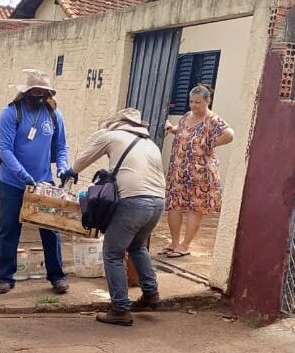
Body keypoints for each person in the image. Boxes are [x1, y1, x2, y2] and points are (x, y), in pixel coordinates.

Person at [64, 108, 166, 326]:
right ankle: (151, 294)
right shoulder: (151, 144)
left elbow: (83, 159)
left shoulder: (112, 136)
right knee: (137, 246)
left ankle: (120, 310)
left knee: (112, 253)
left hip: (133, 202)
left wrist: (71, 171)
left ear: (118, 122)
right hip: (158, 203)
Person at [0, 69, 71, 295]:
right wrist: (23, 175)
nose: (39, 95)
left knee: (50, 229)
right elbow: (5, 150)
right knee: (9, 229)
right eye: (35, 91)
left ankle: (57, 276)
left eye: (43, 91)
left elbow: (61, 146)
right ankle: (6, 277)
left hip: (44, 182)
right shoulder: (10, 114)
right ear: (25, 93)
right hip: (12, 182)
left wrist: (64, 168)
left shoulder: (54, 115)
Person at [161, 84, 234, 258]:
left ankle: (185, 245)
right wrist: (173, 129)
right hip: (179, 170)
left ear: (207, 102)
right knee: (174, 204)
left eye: (198, 102)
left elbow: (230, 134)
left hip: (201, 173)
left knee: (196, 208)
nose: (194, 105)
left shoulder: (213, 120)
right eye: (191, 102)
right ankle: (174, 242)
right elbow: (184, 131)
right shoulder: (187, 116)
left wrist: (211, 143)